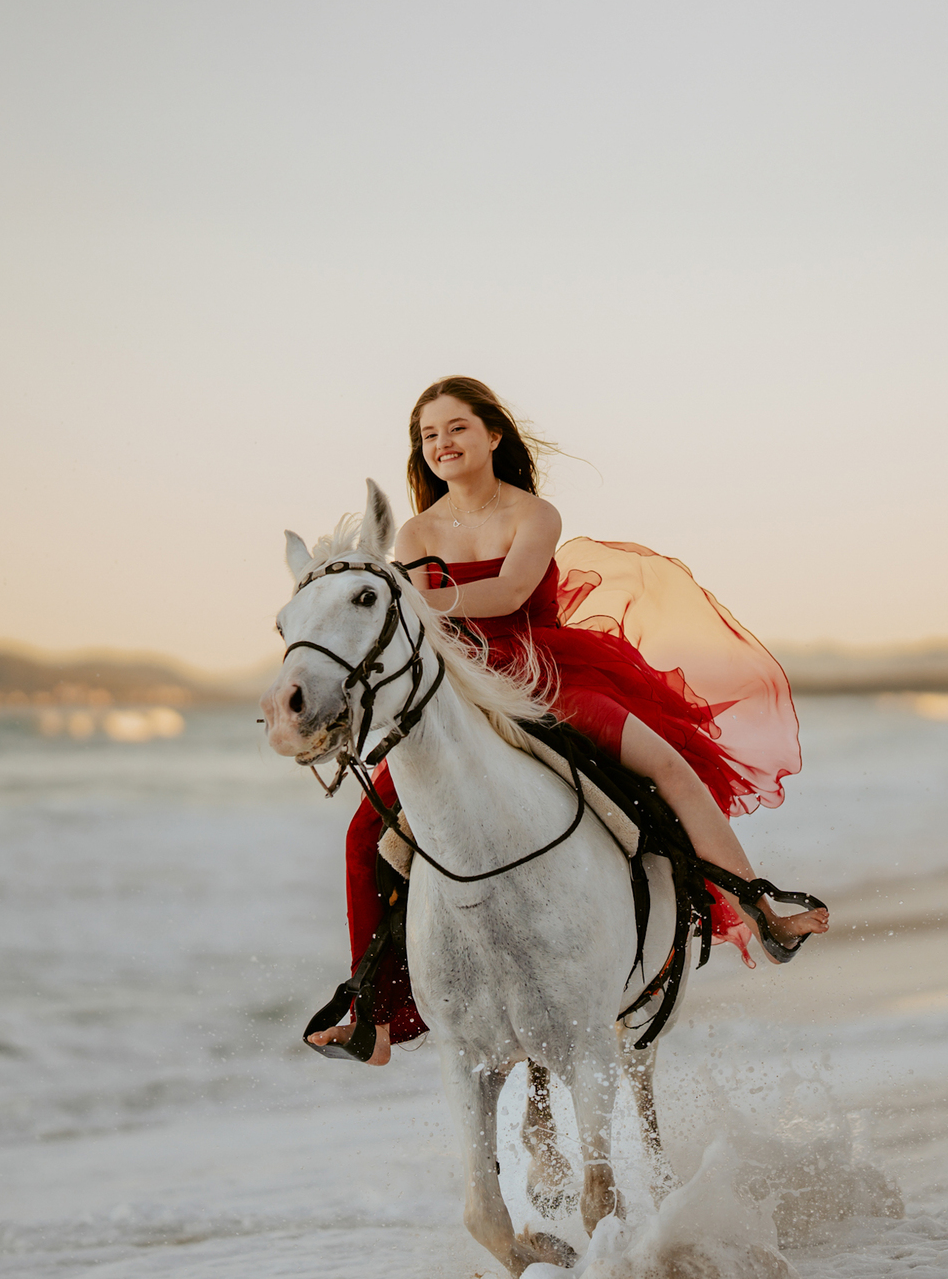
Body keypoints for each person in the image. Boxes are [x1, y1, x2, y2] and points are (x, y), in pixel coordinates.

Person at [309, 376, 828, 1063]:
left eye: (456, 428)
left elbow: (510, 592)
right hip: (463, 690)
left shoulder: (533, 513)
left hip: (544, 673)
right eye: (429, 436)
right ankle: (374, 1016)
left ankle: (759, 910)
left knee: (667, 766)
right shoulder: (418, 530)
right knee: (363, 829)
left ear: (493, 434)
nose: (442, 445)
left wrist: (415, 597)